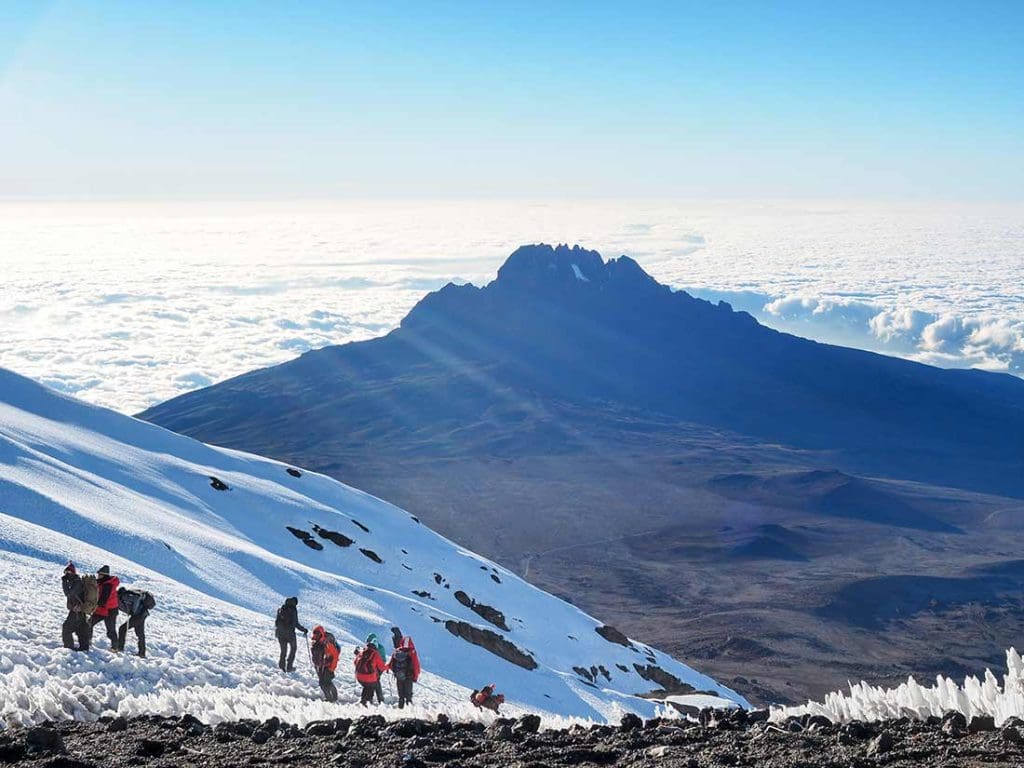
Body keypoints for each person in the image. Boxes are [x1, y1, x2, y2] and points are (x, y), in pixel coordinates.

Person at [60, 562, 91, 651]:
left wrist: (64, 582)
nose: (66, 574)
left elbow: (68, 593)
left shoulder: (77, 582)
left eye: (69, 572)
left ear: (73, 572)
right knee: (81, 629)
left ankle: (69, 648)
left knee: (66, 627)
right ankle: (84, 647)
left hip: (77, 610)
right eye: (65, 572)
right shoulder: (73, 581)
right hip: (78, 609)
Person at [89, 565, 120, 650]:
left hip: (110, 611)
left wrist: (93, 605)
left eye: (99, 574)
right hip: (101, 610)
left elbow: (103, 600)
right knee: (89, 623)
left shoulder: (108, 585)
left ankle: (115, 648)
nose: (98, 576)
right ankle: (87, 641)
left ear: (103, 575)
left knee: (110, 631)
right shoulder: (101, 582)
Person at [115, 586, 152, 658]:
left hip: (138, 615)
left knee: (122, 629)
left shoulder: (125, 596)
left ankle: (120, 648)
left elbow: (137, 598)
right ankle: (142, 653)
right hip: (142, 614)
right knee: (140, 634)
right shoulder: (124, 597)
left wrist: (133, 611)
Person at [274, 597, 307, 672]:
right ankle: (289, 667)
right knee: (293, 649)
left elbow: (277, 622)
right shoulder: (293, 610)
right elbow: (296, 624)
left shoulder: (281, 609)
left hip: (280, 633)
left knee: (283, 651)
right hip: (290, 634)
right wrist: (304, 630)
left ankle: (281, 667)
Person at [388, 635, 420, 709]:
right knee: (408, 696)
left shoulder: (397, 651)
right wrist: (415, 677)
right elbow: (416, 666)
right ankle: (409, 713)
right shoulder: (412, 652)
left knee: (401, 696)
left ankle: (400, 711)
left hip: (399, 677)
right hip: (409, 677)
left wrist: (396, 672)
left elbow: (390, 665)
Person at [310, 626, 339, 702]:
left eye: (318, 634)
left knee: (327, 682)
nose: (316, 636)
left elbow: (335, 656)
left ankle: (334, 697)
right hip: (321, 666)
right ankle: (329, 698)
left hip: (328, 666)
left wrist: (331, 668)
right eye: (315, 634)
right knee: (322, 683)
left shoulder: (327, 644)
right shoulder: (315, 642)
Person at [354, 640, 387, 706]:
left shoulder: (362, 652)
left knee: (366, 687)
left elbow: (355, 662)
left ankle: (363, 701)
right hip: (370, 677)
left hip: (359, 676)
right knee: (371, 686)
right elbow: (382, 667)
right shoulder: (375, 653)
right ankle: (367, 703)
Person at [366, 633, 387, 703]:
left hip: (378, 667)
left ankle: (378, 699)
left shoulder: (379, 648)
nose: (367, 642)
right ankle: (378, 699)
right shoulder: (378, 647)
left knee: (375, 681)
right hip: (373, 667)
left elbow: (382, 660)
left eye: (368, 640)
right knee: (373, 681)